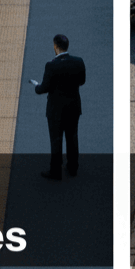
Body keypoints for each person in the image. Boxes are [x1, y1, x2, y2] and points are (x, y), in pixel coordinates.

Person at [34, 34, 85, 180]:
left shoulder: (51, 65)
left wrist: (36, 86)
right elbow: (82, 81)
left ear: (55, 46)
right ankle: (73, 167)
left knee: (56, 139)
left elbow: (43, 88)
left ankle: (55, 171)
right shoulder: (78, 61)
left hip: (56, 110)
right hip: (74, 107)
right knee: (72, 136)